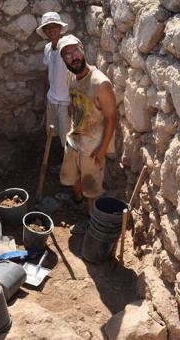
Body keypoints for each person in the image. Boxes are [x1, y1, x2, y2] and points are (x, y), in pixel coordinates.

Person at [57, 34, 117, 234]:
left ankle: (91, 223)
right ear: (63, 60)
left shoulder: (101, 83)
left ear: (83, 50)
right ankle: (77, 203)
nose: (73, 56)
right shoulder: (71, 76)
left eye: (75, 51)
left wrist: (102, 150)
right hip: (75, 140)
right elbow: (75, 101)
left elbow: (111, 118)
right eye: (67, 54)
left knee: (92, 189)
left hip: (93, 147)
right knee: (72, 179)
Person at [36, 12, 71, 154]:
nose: (51, 30)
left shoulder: (67, 48)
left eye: (54, 27)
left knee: (67, 139)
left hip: (65, 102)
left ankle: (69, 170)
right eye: (47, 28)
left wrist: (73, 101)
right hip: (52, 99)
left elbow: (76, 75)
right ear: (44, 31)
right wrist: (45, 96)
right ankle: (58, 162)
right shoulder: (48, 48)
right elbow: (47, 73)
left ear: (60, 28)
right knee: (52, 134)